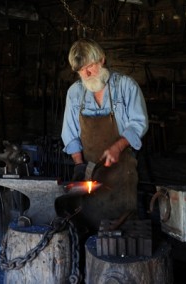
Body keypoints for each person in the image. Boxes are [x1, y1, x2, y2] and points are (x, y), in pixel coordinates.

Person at [61, 38, 148, 232]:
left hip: (121, 172)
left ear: (101, 60)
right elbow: (70, 132)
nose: (87, 74)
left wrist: (118, 146)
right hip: (91, 175)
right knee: (90, 226)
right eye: (81, 70)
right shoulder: (75, 93)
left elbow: (138, 123)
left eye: (90, 66)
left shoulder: (126, 86)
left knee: (123, 229)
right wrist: (78, 164)